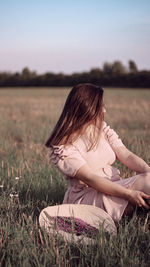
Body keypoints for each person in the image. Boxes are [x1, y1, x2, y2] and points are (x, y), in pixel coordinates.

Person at [45, 83, 150, 223]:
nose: (104, 111)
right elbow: (90, 178)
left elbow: (126, 154)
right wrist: (129, 194)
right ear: (87, 108)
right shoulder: (62, 146)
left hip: (115, 186)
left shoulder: (101, 128)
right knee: (146, 182)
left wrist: (148, 171)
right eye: (100, 106)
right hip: (88, 198)